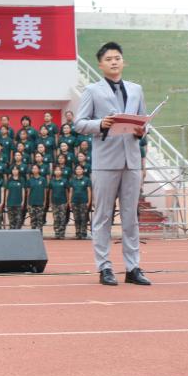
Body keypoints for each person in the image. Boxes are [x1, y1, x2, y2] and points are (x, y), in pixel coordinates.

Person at [74, 42, 151, 286]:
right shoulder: (92, 90)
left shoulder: (136, 89)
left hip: (131, 161)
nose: (114, 62)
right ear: (100, 65)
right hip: (105, 162)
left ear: (123, 61)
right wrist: (100, 124)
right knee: (103, 216)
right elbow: (79, 123)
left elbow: (145, 122)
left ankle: (133, 267)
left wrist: (142, 130)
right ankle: (104, 267)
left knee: (130, 218)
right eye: (108, 59)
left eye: (117, 58)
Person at [69, 164, 92, 240]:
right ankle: (78, 233)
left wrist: (89, 201)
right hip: (74, 201)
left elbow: (89, 191)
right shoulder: (72, 180)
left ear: (83, 170)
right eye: (77, 169)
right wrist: (70, 201)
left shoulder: (87, 180)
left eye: (80, 169)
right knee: (76, 218)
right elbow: (71, 191)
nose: (78, 170)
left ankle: (83, 233)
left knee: (84, 218)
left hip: (84, 201)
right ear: (75, 171)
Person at [49, 166, 70, 240]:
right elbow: (50, 192)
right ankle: (57, 233)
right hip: (54, 202)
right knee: (55, 218)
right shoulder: (52, 181)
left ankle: (62, 233)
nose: (57, 171)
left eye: (59, 170)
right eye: (56, 170)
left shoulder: (64, 181)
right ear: (54, 172)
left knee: (62, 218)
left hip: (63, 202)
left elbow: (67, 192)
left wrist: (67, 201)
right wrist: (50, 202)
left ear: (61, 172)